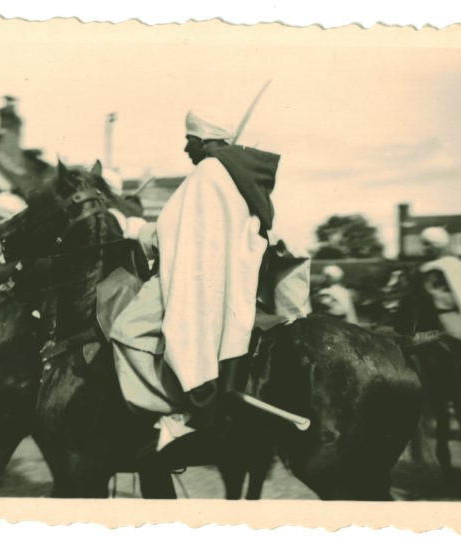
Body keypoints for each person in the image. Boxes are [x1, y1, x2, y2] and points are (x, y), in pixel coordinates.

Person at [109, 108, 310, 449]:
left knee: (125, 330)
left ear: (203, 140)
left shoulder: (208, 174)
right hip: (233, 281)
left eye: (190, 141)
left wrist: (133, 229)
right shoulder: (241, 172)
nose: (186, 150)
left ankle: (178, 412)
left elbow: (172, 236)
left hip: (202, 278)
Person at [418, 227, 461, 346]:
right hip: (460, 319)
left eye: (427, 244)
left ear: (437, 245)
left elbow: (433, 297)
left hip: (445, 321)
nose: (424, 249)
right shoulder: (458, 264)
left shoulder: (431, 268)